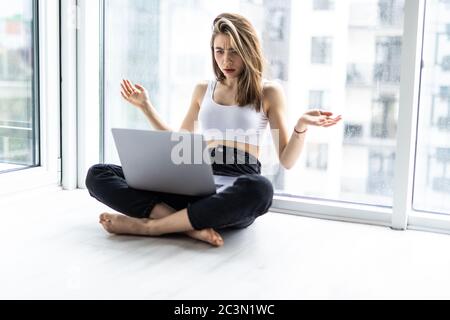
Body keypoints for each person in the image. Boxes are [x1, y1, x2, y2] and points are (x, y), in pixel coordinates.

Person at [85, 13, 341, 247]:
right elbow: (179, 142)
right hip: (194, 179)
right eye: (219, 51)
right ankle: (188, 228)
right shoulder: (202, 89)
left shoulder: (269, 91)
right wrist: (146, 107)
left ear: (249, 52)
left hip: (235, 185)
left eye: (234, 52)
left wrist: (301, 126)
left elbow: (286, 160)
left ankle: (153, 227)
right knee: (99, 174)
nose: (226, 60)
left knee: (260, 189)